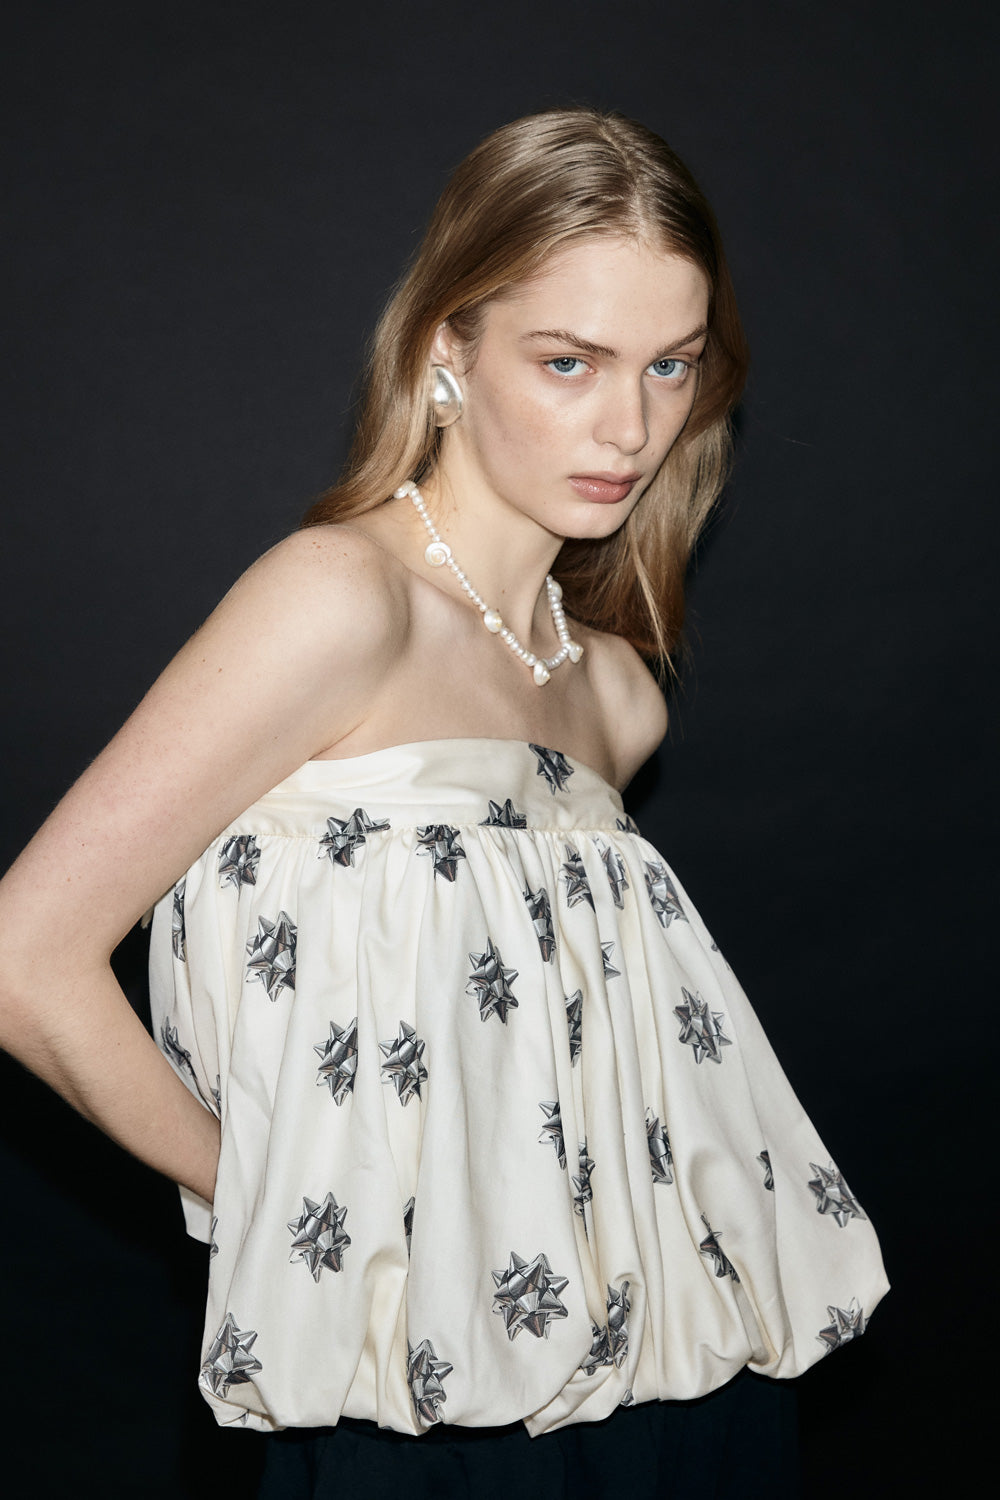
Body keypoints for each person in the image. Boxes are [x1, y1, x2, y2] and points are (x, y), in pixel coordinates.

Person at [0, 108, 888, 1498]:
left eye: (669, 364)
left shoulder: (619, 696)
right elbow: (23, 961)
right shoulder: (338, 601)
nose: (630, 426)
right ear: (445, 352)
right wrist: (291, 1209)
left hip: (683, 1377)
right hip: (412, 1395)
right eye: (568, 361)